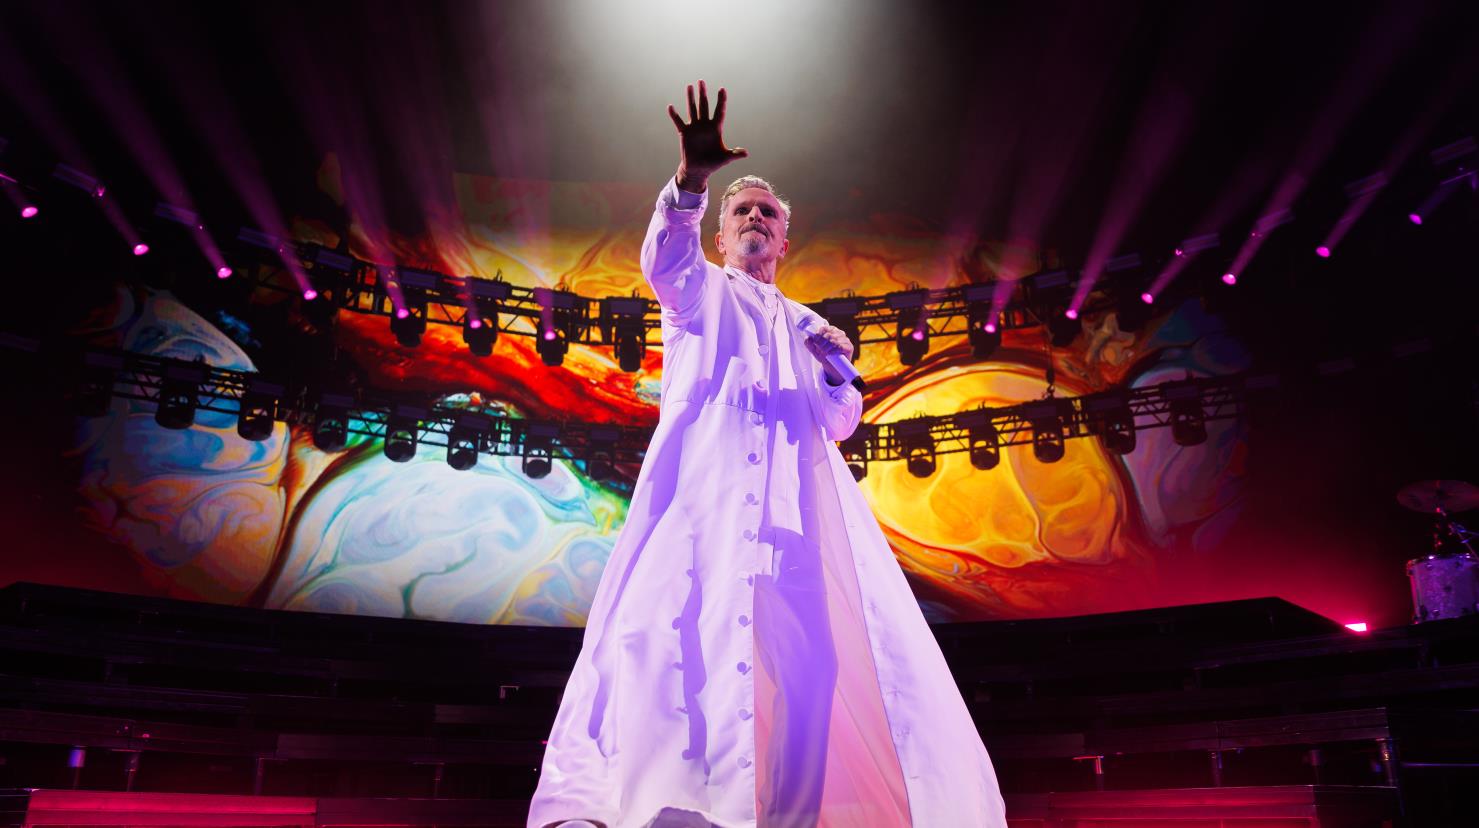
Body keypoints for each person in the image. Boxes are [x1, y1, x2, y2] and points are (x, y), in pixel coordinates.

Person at [528, 80, 1006, 828]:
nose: (754, 217)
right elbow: (665, 263)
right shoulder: (702, 292)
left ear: (784, 240)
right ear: (721, 236)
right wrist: (691, 181)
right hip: (702, 506)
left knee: (804, 679)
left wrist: (839, 368)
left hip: (794, 524)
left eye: (768, 214)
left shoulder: (810, 322)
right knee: (672, 650)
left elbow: (839, 421)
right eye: (741, 211)